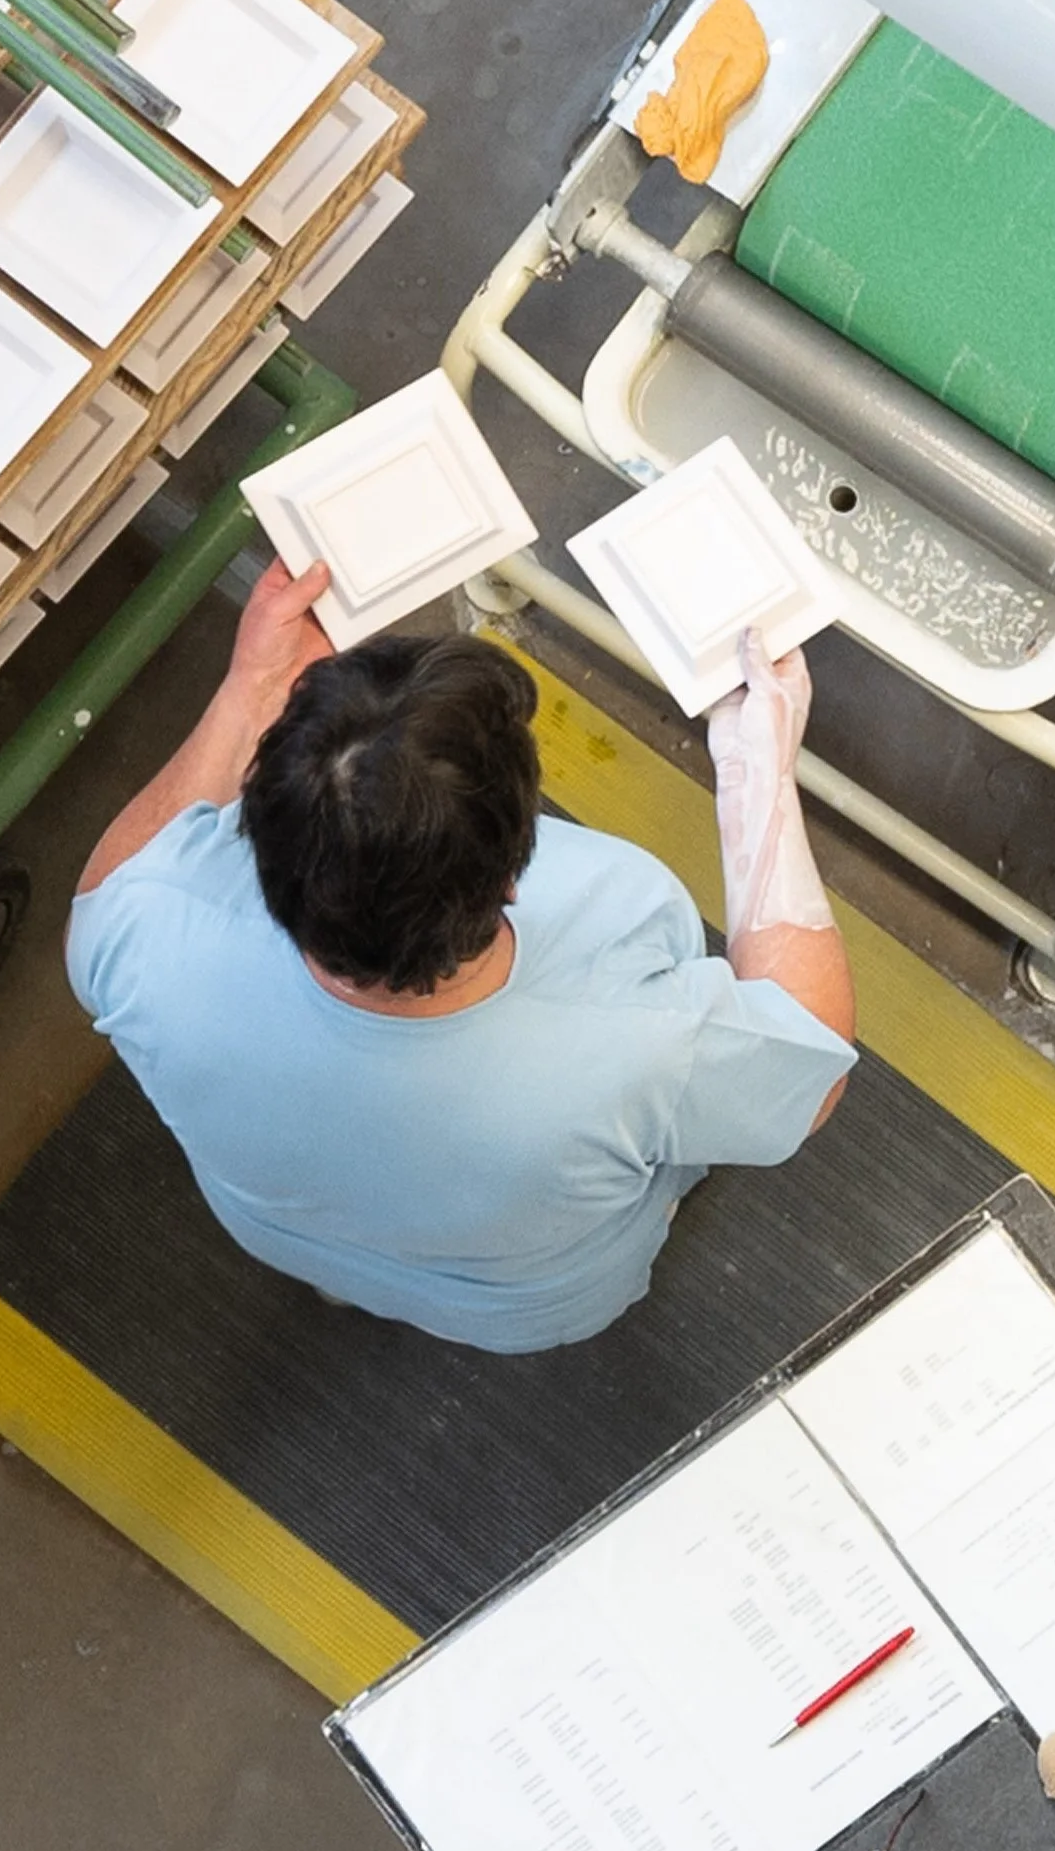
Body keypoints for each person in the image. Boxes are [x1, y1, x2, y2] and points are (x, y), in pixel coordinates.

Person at [68, 563, 853, 1347]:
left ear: (259, 837)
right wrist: (759, 773)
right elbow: (812, 1073)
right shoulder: (641, 1040)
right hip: (534, 1306)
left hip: (285, 1232)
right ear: (514, 875)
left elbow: (125, 869)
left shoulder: (144, 923)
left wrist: (252, 687)